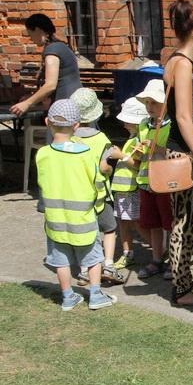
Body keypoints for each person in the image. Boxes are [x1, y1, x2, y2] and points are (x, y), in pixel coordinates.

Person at [36, 99, 116, 310]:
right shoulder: (85, 153)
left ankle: (68, 297)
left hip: (55, 218)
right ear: (76, 126)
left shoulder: (42, 154)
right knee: (93, 257)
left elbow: (43, 182)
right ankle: (96, 295)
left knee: (60, 260)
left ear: (47, 122)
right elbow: (97, 181)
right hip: (83, 217)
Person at [163, 0, 193, 306]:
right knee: (183, 222)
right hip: (182, 153)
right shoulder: (182, 64)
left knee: (188, 220)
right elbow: (182, 115)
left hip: (183, 150)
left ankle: (186, 282)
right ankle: (180, 290)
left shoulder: (176, 59)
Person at [71, 88, 126, 285]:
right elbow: (104, 167)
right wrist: (110, 171)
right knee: (109, 229)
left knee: (86, 233)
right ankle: (108, 264)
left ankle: (85, 270)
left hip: (78, 195)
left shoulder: (70, 139)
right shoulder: (101, 139)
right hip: (100, 195)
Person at [135, 79, 172, 280]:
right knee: (153, 223)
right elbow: (139, 150)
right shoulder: (143, 124)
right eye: (147, 102)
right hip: (146, 179)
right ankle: (157, 258)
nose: (150, 107)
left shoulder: (171, 125)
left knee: (170, 222)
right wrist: (137, 150)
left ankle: (173, 260)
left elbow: (174, 153)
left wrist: (157, 148)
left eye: (154, 102)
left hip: (166, 181)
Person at [10, 14, 81, 116]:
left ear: (37, 30)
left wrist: (27, 103)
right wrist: (33, 98)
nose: (31, 39)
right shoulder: (61, 46)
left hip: (65, 108)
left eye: (30, 34)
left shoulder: (52, 50)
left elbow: (50, 85)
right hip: (73, 102)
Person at [110, 97, 150, 270]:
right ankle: (128, 253)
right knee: (123, 222)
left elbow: (138, 164)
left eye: (129, 122)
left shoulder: (139, 141)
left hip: (131, 188)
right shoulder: (132, 138)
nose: (125, 124)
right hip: (122, 188)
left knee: (135, 222)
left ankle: (160, 250)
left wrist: (121, 156)